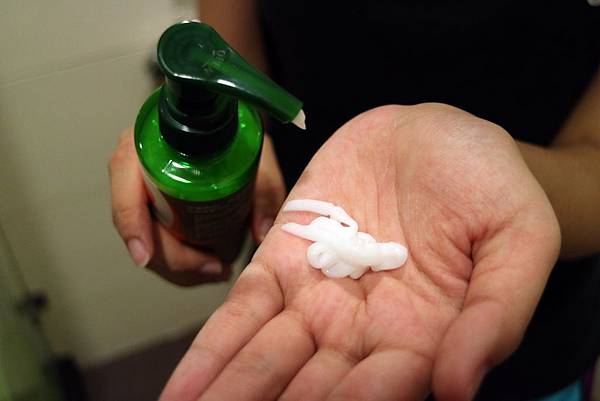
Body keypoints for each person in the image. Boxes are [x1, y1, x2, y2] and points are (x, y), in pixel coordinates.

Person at [108, 1, 600, 400]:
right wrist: (213, 140)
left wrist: (494, 185)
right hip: (296, 249)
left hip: (536, 318)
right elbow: (230, 51)